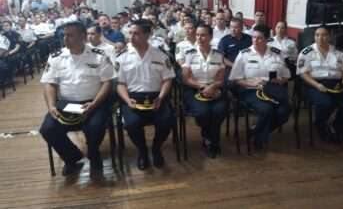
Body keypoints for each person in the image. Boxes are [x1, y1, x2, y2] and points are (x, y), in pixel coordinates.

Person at [39, 22, 115, 176]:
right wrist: (51, 106)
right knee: (47, 129)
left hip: (94, 102)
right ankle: (71, 157)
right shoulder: (56, 57)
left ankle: (94, 154)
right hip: (66, 104)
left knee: (95, 127)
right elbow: (49, 84)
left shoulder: (99, 55)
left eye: (70, 35)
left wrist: (94, 104)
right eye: (64, 35)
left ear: (83, 36)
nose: (65, 39)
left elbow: (107, 82)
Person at [116, 19, 176, 170]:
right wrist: (127, 100)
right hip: (132, 98)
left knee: (167, 121)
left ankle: (156, 148)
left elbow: (167, 80)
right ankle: (142, 151)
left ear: (147, 35)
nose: (131, 37)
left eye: (136, 34)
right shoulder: (122, 56)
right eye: (130, 33)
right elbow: (120, 84)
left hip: (157, 97)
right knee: (131, 124)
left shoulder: (161, 55)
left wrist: (161, 97)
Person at [229, 25, 291, 149]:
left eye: (259, 38)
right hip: (251, 91)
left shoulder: (277, 54)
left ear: (267, 39)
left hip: (272, 90)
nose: (255, 41)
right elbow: (235, 78)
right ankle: (259, 139)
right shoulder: (244, 54)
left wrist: (280, 81)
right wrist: (250, 83)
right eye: (253, 37)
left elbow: (286, 75)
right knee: (266, 110)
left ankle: (255, 130)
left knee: (285, 111)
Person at [297, 25, 343, 142]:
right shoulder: (306, 52)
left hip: (336, 83)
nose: (320, 38)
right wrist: (317, 85)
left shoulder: (339, 53)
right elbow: (303, 74)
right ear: (314, 37)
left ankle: (337, 125)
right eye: (317, 35)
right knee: (325, 103)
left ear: (330, 37)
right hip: (314, 83)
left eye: (324, 35)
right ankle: (321, 125)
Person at [181, 24, 226, 158]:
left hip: (214, 88)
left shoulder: (218, 55)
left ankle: (211, 140)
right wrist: (201, 86)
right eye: (198, 35)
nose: (200, 38)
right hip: (194, 90)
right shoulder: (189, 54)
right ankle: (209, 137)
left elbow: (220, 78)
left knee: (219, 110)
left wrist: (213, 87)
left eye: (203, 35)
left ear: (211, 37)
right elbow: (186, 78)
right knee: (203, 112)